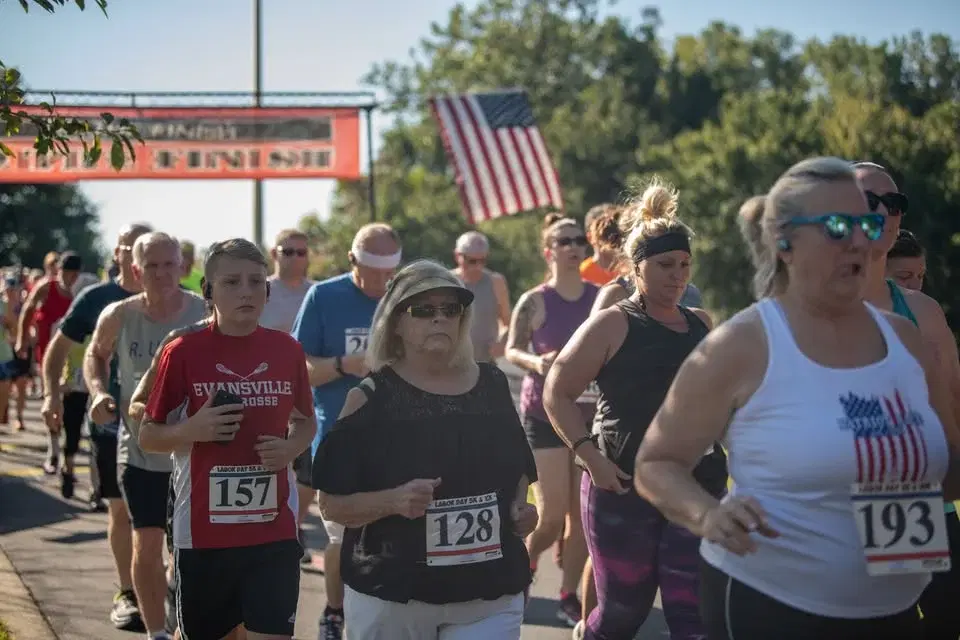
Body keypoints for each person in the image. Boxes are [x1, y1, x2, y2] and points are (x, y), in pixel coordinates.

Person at [633, 157, 960, 639]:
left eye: (867, 223)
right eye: (835, 225)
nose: (858, 239)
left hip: (894, 608)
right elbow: (656, 463)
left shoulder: (908, 343)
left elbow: (949, 475)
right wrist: (708, 514)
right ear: (784, 241)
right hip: (771, 603)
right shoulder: (743, 345)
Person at [313, 259, 539, 639]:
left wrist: (521, 509)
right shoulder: (368, 398)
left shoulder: (493, 384)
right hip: (395, 597)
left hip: (487, 596)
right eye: (424, 310)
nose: (440, 319)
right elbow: (332, 505)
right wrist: (394, 501)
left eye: (450, 309)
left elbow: (517, 469)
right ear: (396, 322)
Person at [543, 178, 723, 640]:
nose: (677, 275)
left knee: (693, 617)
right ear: (636, 269)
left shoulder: (702, 324)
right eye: (665, 265)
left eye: (685, 264)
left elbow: (725, 399)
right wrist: (591, 458)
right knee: (623, 613)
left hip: (694, 486)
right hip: (621, 484)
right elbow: (557, 392)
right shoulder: (614, 323)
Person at [140, 237, 316, 640]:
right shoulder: (183, 352)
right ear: (209, 291)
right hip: (204, 536)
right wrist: (191, 430)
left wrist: (290, 447)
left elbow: (306, 422)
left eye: (256, 282)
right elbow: (148, 435)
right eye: (232, 282)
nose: (247, 292)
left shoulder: (287, 350)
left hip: (272, 534)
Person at [855, 161, 960, 640]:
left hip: (911, 504)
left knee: (932, 622)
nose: (883, 212)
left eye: (893, 203)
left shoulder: (921, 312)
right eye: (867, 200)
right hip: (829, 513)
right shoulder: (794, 310)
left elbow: (949, 416)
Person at [85, 232, 208, 640]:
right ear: (135, 271)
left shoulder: (204, 314)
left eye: (169, 264)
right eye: (151, 266)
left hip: (194, 454)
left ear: (183, 267)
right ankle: (156, 631)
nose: (161, 274)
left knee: (189, 551)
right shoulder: (119, 314)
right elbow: (96, 355)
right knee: (148, 542)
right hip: (139, 451)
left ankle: (178, 610)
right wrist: (100, 392)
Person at [39, 222, 152, 630]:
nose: (139, 256)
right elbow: (59, 349)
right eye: (129, 246)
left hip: (168, 427)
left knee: (172, 517)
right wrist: (52, 394)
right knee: (121, 510)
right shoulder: (98, 299)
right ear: (119, 254)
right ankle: (128, 592)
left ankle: (169, 586)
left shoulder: (179, 302)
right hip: (111, 425)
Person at [291, 222, 401, 640]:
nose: (382, 282)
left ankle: (388, 611)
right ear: (352, 260)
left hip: (397, 440)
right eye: (374, 271)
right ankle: (334, 613)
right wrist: (343, 365)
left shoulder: (403, 297)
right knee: (341, 534)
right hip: (337, 439)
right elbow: (299, 369)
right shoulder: (324, 296)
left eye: (390, 270)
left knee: (392, 530)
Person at [506, 213, 597, 626]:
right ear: (549, 251)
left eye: (579, 239)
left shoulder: (601, 297)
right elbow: (511, 349)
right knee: (551, 515)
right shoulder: (535, 300)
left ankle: (567, 595)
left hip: (589, 417)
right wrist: (536, 361)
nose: (574, 245)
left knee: (581, 519)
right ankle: (521, 571)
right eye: (564, 240)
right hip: (543, 415)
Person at [259, 228, 316, 565]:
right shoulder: (261, 291)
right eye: (288, 251)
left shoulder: (317, 293)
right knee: (274, 467)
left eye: (301, 252)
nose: (295, 258)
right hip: (266, 393)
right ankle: (278, 532)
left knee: (307, 472)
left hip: (307, 394)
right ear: (274, 253)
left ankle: (293, 526)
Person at [47, 271, 100, 498]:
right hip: (73, 386)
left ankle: (95, 488)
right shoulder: (64, 324)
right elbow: (56, 355)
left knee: (97, 438)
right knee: (73, 432)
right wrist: (57, 385)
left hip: (96, 388)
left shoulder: (104, 325)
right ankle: (67, 470)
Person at [16, 251, 81, 421]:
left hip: (72, 354)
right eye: (67, 273)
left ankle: (67, 436)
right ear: (60, 270)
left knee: (69, 396)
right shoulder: (46, 287)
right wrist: (21, 340)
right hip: (47, 352)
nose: (71, 278)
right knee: (51, 395)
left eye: (74, 275)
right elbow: (27, 310)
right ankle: (53, 438)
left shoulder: (79, 293)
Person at [450, 231, 511, 362]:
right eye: (471, 261)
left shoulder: (496, 282)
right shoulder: (446, 282)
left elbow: (507, 322)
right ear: (457, 256)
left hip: (485, 365)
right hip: (450, 366)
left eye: (482, 261)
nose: (477, 266)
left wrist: (502, 343)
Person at [579, 204, 621, 287]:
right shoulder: (582, 274)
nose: (611, 235)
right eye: (603, 229)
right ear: (590, 237)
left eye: (613, 227)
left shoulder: (630, 269)